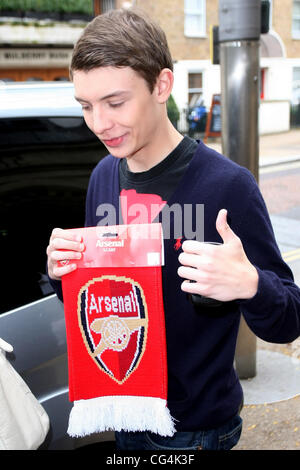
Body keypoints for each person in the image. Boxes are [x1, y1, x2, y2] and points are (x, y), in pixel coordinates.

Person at [46, 8, 300, 451]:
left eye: (115, 102)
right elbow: (96, 298)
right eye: (85, 106)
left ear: (162, 85)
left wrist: (251, 284)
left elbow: (289, 320)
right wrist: (62, 271)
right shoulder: (103, 176)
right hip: (125, 411)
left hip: (196, 430)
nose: (99, 124)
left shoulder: (228, 186)